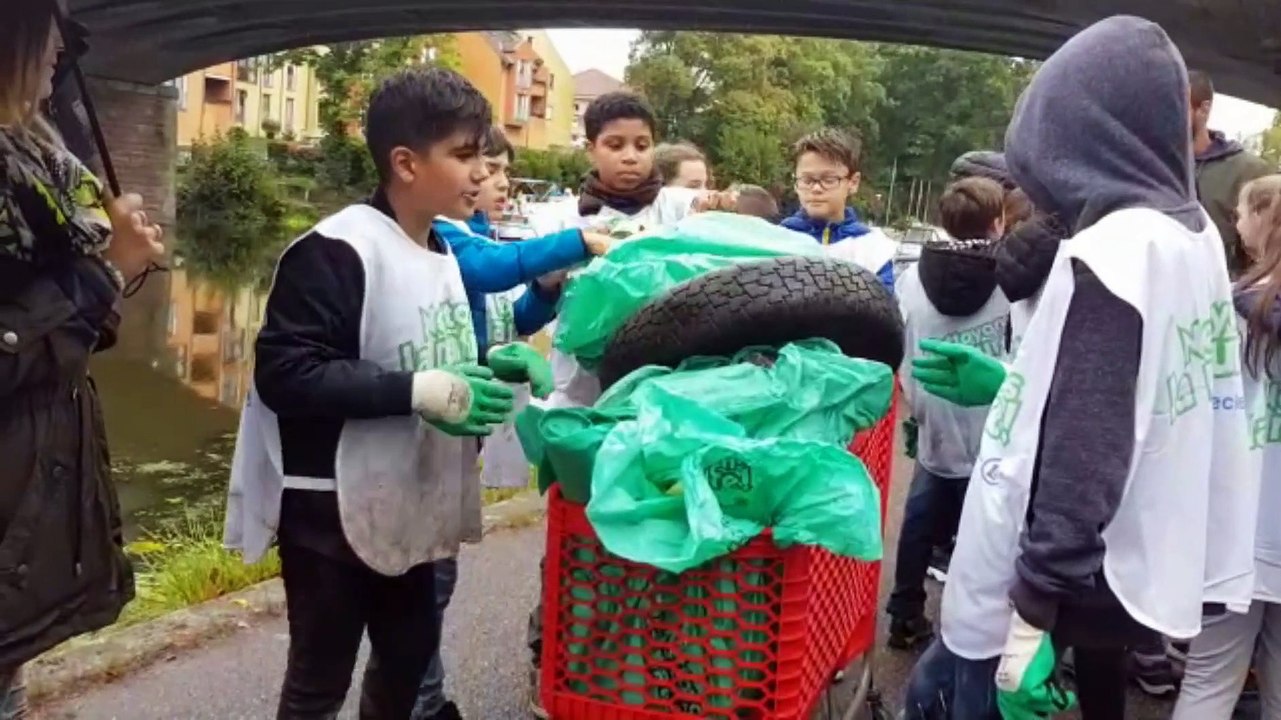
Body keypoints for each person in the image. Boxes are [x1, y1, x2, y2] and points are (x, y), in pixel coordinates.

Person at [903, 15, 1258, 720]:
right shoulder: (1190, 237)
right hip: (1126, 553)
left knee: (948, 697)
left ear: (1072, 141)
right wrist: (1009, 386)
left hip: (1059, 567)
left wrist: (1035, 603)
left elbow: (1087, 435)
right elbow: (1140, 394)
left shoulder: (1114, 253)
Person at [223, 67, 549, 719]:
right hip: (331, 513)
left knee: (405, 667)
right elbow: (286, 373)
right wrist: (419, 390)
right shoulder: (335, 250)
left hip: (414, 501)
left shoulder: (441, 250)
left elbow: (426, 351)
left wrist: (490, 363)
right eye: (462, 156)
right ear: (404, 162)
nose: (478, 174)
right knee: (319, 682)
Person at [0, 5, 165, 717]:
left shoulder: (37, 162)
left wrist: (106, 271)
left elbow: (54, 340)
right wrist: (101, 274)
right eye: (46, 29)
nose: (59, 46)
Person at [525, 90, 703, 718]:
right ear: (591, 147)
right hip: (579, 405)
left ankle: (663, 670)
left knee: (658, 529)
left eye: (641, 144)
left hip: (657, 402)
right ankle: (557, 656)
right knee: (572, 535)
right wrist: (552, 277)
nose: (630, 158)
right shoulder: (559, 219)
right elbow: (533, 307)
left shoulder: (679, 208)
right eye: (614, 144)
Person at [414, 126, 596, 720]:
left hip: (456, 432)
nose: (492, 183)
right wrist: (578, 242)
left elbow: (507, 317)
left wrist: (544, 290)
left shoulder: (473, 234)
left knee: (436, 573)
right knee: (422, 580)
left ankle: (424, 695)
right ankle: (419, 700)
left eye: (499, 172)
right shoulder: (443, 237)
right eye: (483, 168)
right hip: (420, 428)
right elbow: (489, 271)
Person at [1172, 174, 1281, 720]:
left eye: (1241, 212)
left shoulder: (1229, 311)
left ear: (1265, 221)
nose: (1236, 224)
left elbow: (1186, 407)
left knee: (1209, 680)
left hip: (1230, 533)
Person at [887, 177, 1009, 652]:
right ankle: (974, 630)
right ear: (998, 221)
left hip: (933, 408)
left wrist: (915, 407)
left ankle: (904, 611)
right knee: (985, 533)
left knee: (919, 520)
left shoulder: (912, 276)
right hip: (989, 417)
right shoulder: (1013, 281)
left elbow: (905, 343)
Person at [780, 129, 896, 293]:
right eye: (807, 180)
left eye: (829, 180)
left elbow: (886, 311)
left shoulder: (873, 248)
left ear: (853, 182)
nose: (816, 188)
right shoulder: (777, 241)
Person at [1190, 70, 1272, 279]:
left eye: (1176, 107)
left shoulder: (1249, 171)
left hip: (1230, 299)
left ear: (1203, 109)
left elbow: (1271, 249)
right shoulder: (1154, 170)